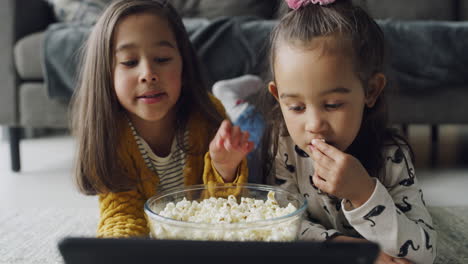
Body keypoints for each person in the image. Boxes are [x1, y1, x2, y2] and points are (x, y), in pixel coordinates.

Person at [258, 0, 437, 263]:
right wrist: (355, 250)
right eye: (296, 106)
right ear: (277, 96)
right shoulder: (282, 147)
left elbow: (425, 250)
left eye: (332, 105)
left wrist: (363, 193)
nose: (314, 124)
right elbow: (279, 226)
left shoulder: (391, 156)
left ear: (371, 90)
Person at [70, 0, 254, 238]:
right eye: (129, 62)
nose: (148, 74)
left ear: (183, 66)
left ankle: (232, 96)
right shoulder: (109, 133)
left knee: (252, 126)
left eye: (162, 59)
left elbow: (224, 212)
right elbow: (121, 214)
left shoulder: (207, 115)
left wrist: (225, 168)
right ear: (106, 74)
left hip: (237, 130)